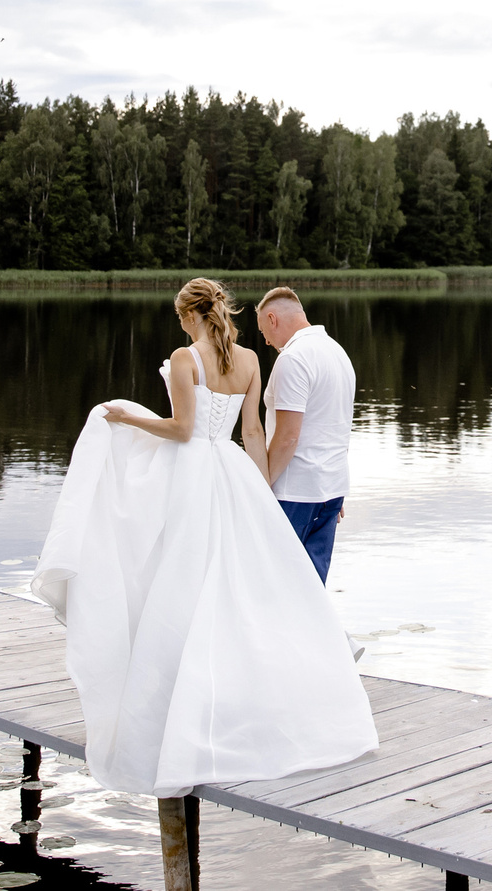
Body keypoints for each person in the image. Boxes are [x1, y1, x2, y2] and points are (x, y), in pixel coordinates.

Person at [30, 279, 376, 798]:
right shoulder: (251, 361)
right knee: (241, 583)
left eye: (181, 318)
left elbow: (181, 430)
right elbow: (254, 433)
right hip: (236, 473)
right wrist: (259, 493)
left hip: (192, 474)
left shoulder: (185, 357)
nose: (181, 326)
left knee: (178, 575)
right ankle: (262, 684)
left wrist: (129, 417)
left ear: (190, 316)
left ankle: (180, 689)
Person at [256, 285, 355, 583]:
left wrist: (260, 487)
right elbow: (336, 427)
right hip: (331, 488)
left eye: (264, 332)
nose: (267, 341)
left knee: (279, 584)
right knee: (311, 587)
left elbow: (287, 437)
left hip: (295, 491)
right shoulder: (337, 352)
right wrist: (330, 487)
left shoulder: (293, 358)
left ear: (272, 319)